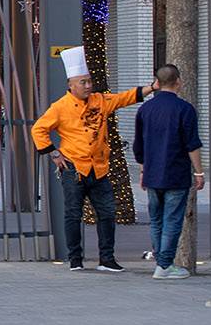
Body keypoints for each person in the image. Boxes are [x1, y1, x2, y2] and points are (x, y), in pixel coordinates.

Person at [32, 45, 157, 273]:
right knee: (73, 214)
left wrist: (151, 87)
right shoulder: (60, 107)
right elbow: (38, 129)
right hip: (74, 168)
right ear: (71, 84)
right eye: (83, 82)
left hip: (99, 168)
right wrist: (54, 153)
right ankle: (75, 259)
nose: (88, 86)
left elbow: (125, 98)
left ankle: (106, 259)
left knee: (107, 213)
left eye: (89, 81)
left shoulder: (101, 100)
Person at [133, 63, 204, 280]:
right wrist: (199, 172)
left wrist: (143, 171)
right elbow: (192, 144)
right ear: (178, 82)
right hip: (175, 173)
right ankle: (165, 265)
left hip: (152, 173)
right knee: (172, 220)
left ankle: (160, 262)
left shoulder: (145, 109)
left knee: (156, 220)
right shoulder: (185, 109)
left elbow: (139, 146)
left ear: (158, 83)